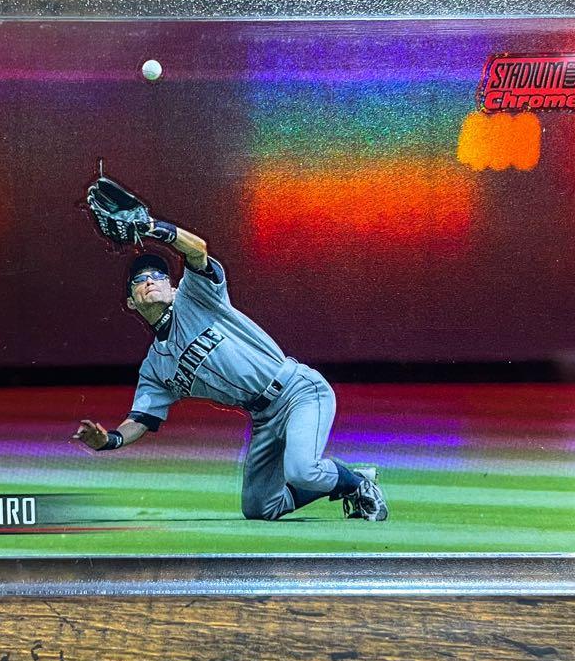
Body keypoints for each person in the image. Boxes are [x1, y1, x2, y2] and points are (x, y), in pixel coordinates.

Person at [73, 217, 388, 522]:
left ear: (173, 288)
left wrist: (154, 228)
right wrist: (109, 440)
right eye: (140, 280)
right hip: (264, 417)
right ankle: (345, 476)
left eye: (158, 275)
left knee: (301, 471)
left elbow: (197, 251)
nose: (150, 281)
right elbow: (140, 419)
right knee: (260, 507)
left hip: (298, 392)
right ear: (131, 302)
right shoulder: (155, 368)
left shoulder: (195, 298)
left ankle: (357, 484)